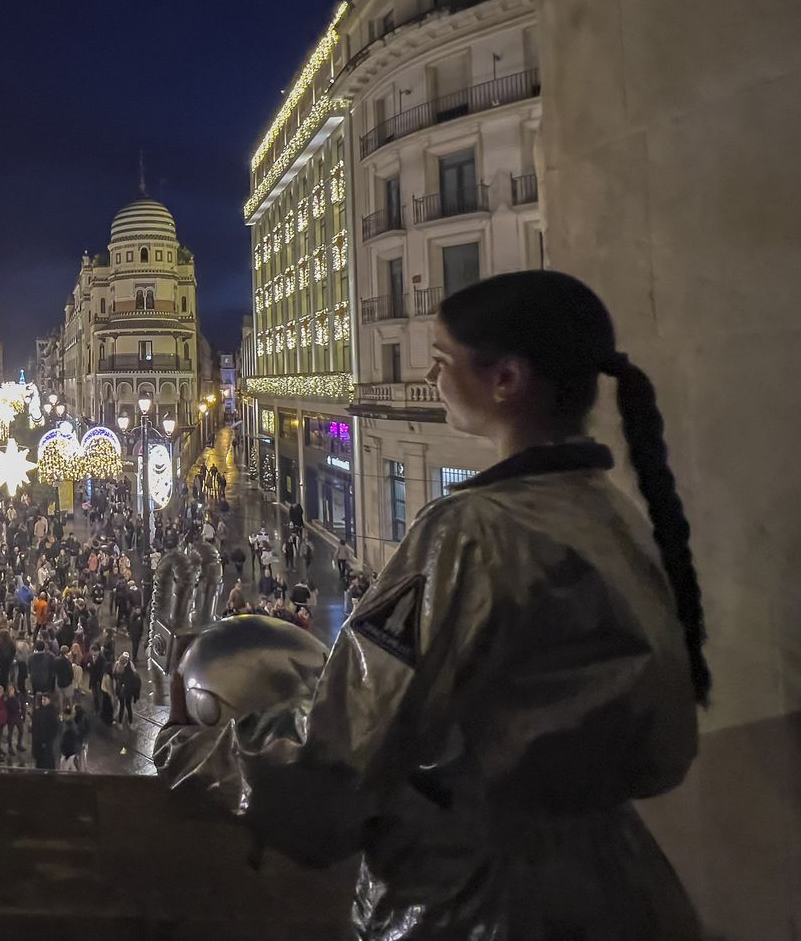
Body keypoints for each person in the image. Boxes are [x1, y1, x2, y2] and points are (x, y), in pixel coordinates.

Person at [159, 271, 708, 940]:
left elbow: (341, 750)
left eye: (442, 358)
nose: (428, 372)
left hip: (477, 903)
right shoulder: (610, 513)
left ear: (505, 378)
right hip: (626, 887)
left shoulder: (470, 532)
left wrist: (194, 750)